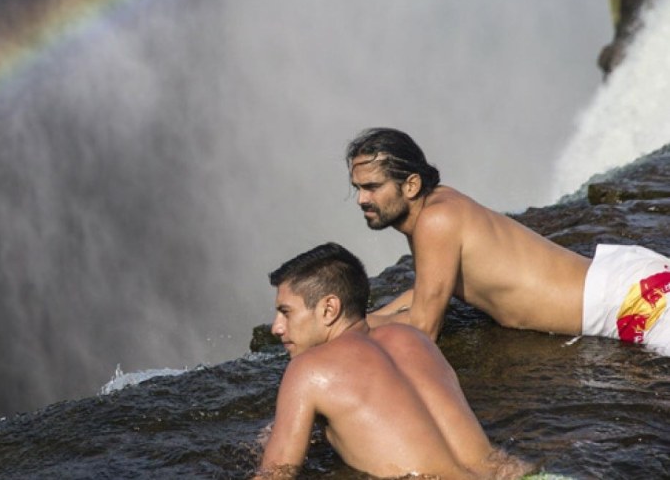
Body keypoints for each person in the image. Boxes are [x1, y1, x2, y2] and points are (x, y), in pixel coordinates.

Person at [346, 127, 670, 352]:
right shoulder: (439, 206)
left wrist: (341, 332)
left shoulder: (435, 220)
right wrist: (367, 319)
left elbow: (424, 327)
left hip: (627, 303)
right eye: (358, 188)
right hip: (627, 283)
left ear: (411, 185)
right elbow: (431, 288)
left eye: (372, 187)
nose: (361, 199)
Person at [255, 242, 531, 479]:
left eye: (286, 312)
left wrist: (265, 445)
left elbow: (275, 474)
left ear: (329, 308)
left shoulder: (308, 370)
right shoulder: (414, 337)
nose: (276, 327)